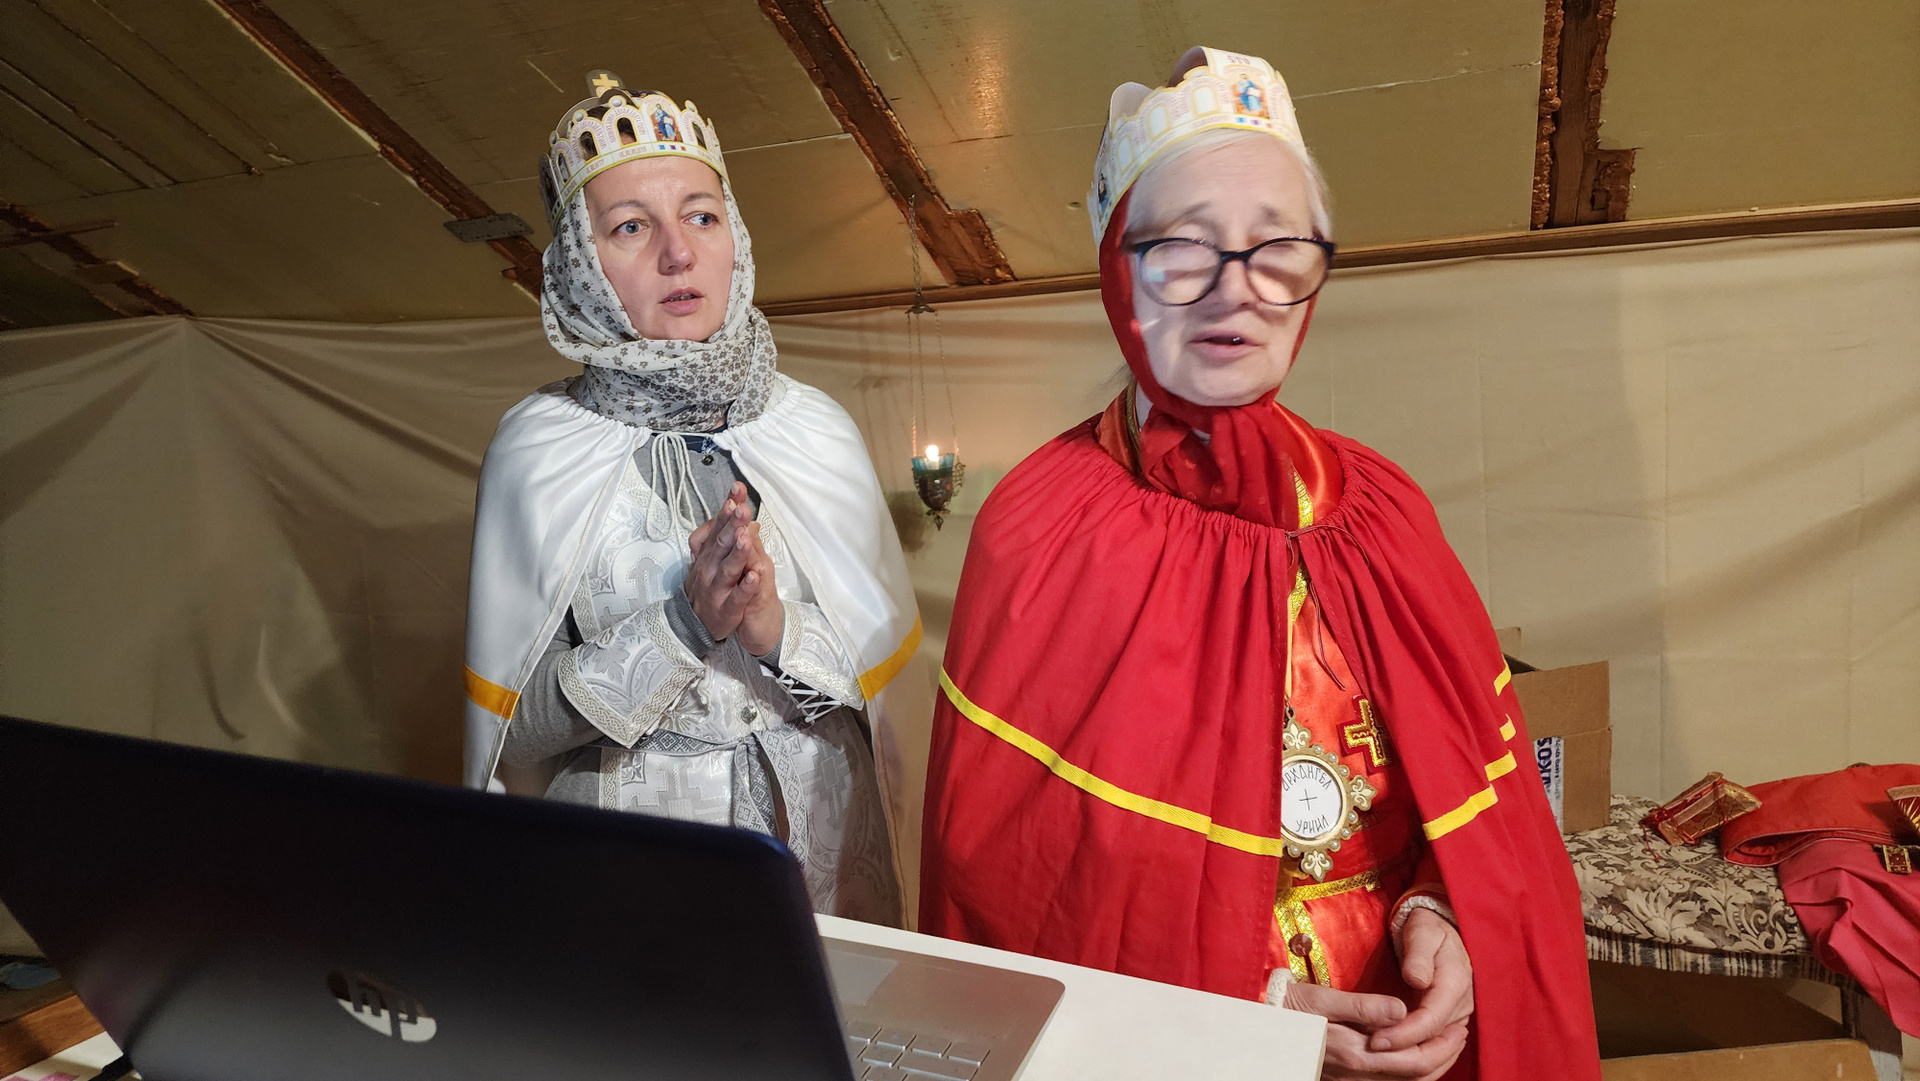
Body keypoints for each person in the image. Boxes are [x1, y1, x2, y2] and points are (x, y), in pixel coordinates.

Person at [919, 48, 1599, 1080]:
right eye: (1183, 248)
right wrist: (1254, 1015)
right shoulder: (1042, 527)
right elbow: (1016, 892)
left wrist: (1445, 916)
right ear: (1120, 267)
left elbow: (1483, 809)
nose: (1234, 290)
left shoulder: (1384, 512)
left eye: (1278, 245)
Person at [462, 72, 921, 926]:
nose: (678, 253)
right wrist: (679, 626)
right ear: (579, 263)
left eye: (701, 215)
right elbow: (510, 735)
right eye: (631, 226)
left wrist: (775, 628)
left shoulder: (815, 429)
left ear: (734, 235)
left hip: (830, 873)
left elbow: (897, 699)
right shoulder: (539, 449)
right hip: (635, 893)